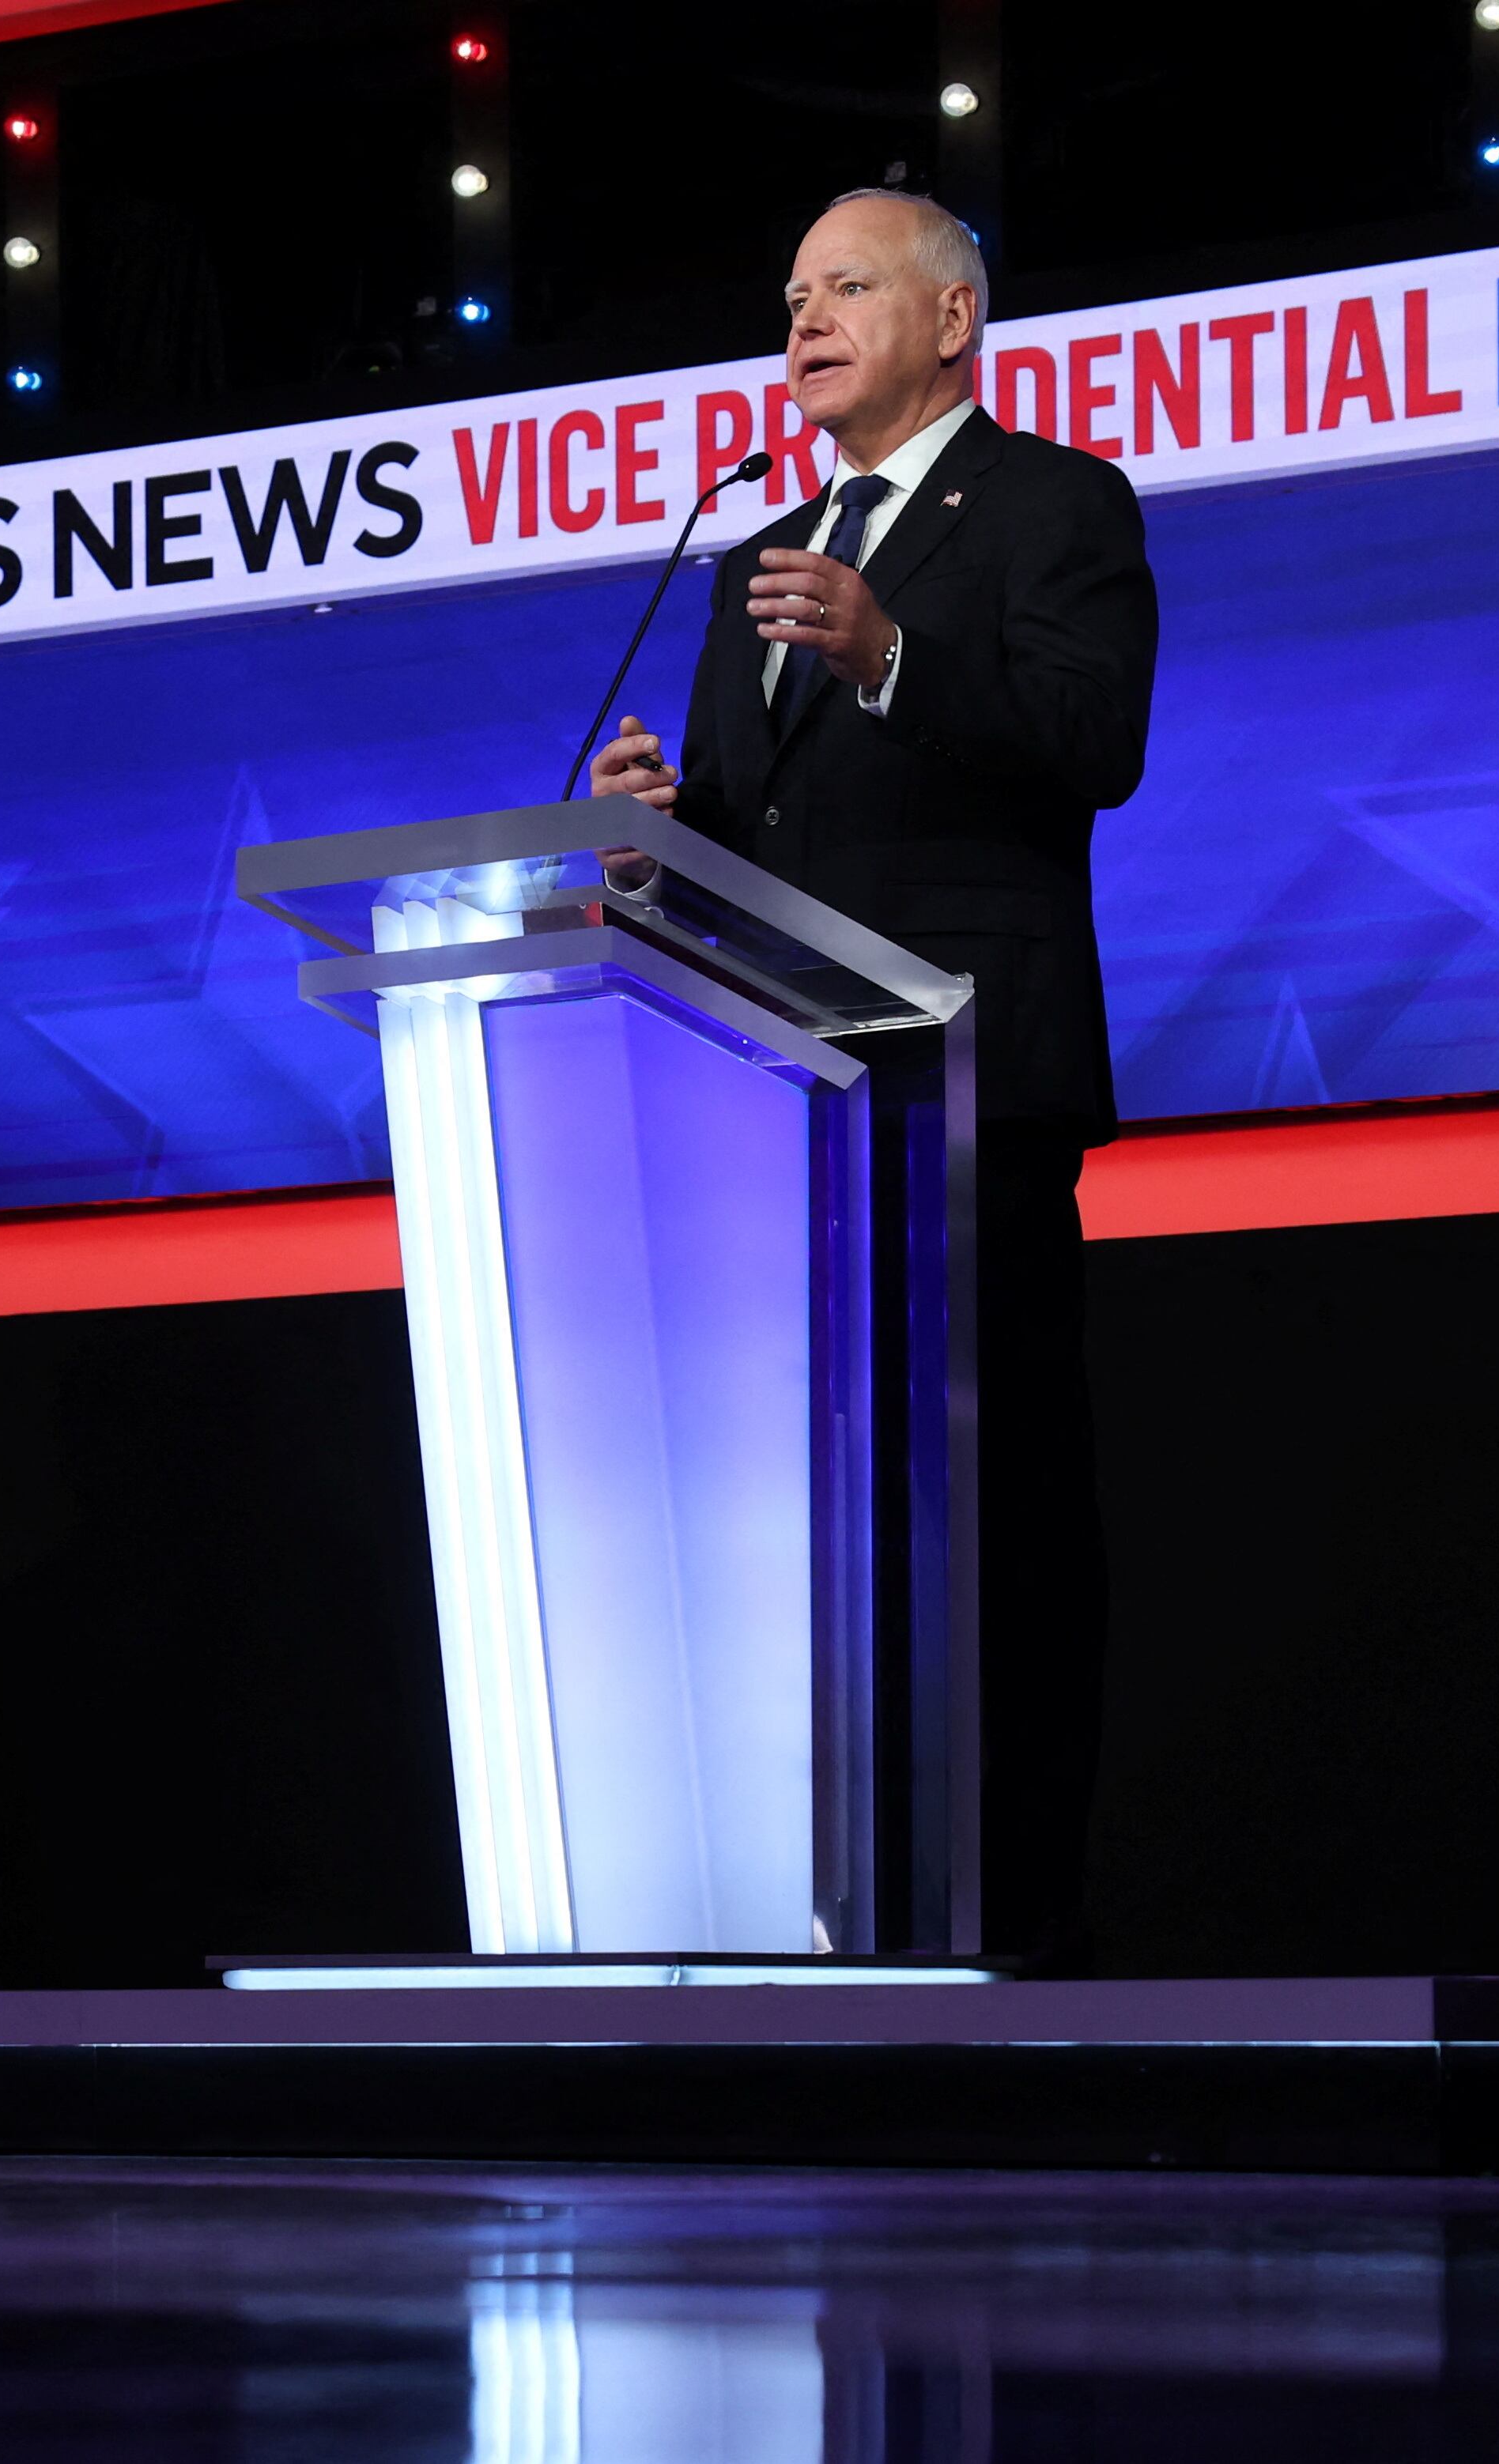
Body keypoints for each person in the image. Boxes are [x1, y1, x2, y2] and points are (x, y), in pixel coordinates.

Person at [589, 188, 1158, 1967]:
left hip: (968, 1097)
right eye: (791, 295)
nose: (805, 317)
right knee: (826, 1553)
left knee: (997, 1537)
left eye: (846, 287)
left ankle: (1023, 1943)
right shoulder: (761, 548)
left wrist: (890, 650)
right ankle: (845, 1930)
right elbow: (760, 846)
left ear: (954, 319)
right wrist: (653, 845)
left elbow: (1094, 746)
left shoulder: (1054, 502)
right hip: (791, 1117)